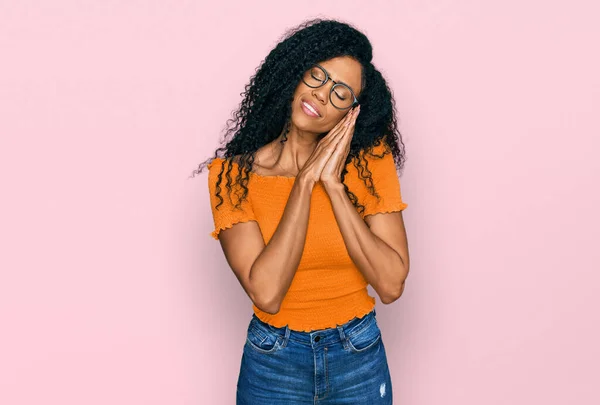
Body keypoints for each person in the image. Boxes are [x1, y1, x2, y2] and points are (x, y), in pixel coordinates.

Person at [194, 18, 410, 404]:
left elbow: (392, 285)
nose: (323, 95)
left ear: (352, 112)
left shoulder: (370, 164)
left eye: (341, 93)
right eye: (317, 76)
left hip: (358, 354)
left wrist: (334, 186)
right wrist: (305, 181)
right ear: (295, 74)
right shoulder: (231, 177)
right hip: (274, 361)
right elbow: (267, 293)